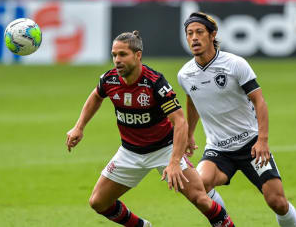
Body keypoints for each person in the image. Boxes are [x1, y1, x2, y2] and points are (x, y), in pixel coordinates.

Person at [66, 30, 234, 227]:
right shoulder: (109, 79)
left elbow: (180, 122)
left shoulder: (155, 83)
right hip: (129, 151)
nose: (117, 60)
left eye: (122, 54)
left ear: (138, 56)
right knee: (98, 202)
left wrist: (174, 162)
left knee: (200, 199)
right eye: (114, 55)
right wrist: (79, 127)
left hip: (164, 150)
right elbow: (96, 96)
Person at [177, 12, 296, 227]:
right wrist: (189, 134)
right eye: (189, 33)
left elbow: (259, 101)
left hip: (251, 145)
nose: (194, 38)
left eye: (199, 32)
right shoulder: (185, 74)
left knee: (277, 202)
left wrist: (262, 140)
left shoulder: (235, 64)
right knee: (199, 186)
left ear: (212, 34)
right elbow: (193, 100)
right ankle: (225, 223)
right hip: (218, 148)